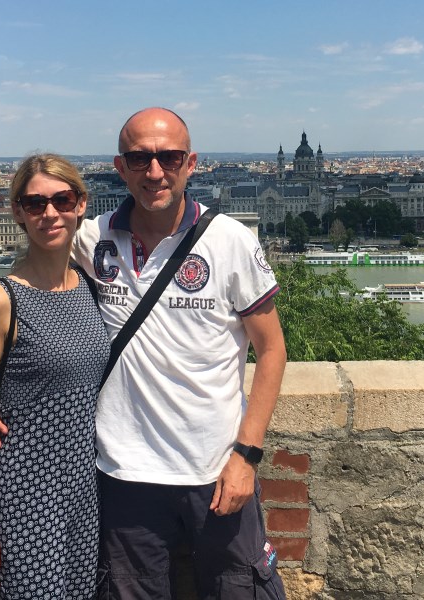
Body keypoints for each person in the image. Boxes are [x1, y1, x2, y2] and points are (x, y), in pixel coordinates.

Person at [77, 107, 288, 599]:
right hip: (123, 473)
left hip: (215, 468)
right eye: (140, 158)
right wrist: (6, 396)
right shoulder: (91, 238)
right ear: (120, 166)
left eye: (169, 157)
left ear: (191, 163)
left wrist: (246, 456)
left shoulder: (232, 241)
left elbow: (272, 351)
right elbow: (28, 298)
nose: (155, 172)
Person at [0, 154, 110, 598]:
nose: (50, 213)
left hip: (82, 490)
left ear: (80, 205)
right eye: (35, 203)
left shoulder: (88, 286)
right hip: (25, 494)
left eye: (62, 199)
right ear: (19, 212)